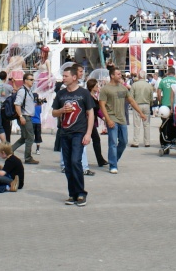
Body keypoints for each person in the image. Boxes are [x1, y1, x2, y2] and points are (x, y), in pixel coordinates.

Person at [52, 64, 95, 206]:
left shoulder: (84, 93)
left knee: (76, 161)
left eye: (66, 76)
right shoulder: (61, 94)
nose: (63, 78)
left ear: (74, 77)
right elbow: (54, 112)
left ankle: (81, 193)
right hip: (64, 132)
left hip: (79, 132)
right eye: (63, 76)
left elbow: (90, 113)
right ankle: (72, 194)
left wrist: (88, 133)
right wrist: (62, 111)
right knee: (68, 165)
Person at [99, 66, 147, 173]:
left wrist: (140, 113)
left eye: (120, 74)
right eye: (118, 74)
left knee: (124, 141)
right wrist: (108, 120)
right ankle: (113, 165)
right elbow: (102, 105)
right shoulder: (105, 89)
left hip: (122, 119)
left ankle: (114, 159)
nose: (120, 75)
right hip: (111, 118)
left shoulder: (123, 88)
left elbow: (131, 101)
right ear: (112, 76)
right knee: (112, 142)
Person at [11, 73, 39, 164]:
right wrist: (21, 116)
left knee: (24, 137)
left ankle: (10, 150)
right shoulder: (22, 91)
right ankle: (28, 158)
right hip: (25, 117)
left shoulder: (29, 91)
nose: (32, 81)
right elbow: (17, 104)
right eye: (31, 79)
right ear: (25, 80)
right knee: (30, 137)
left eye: (33, 79)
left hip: (27, 116)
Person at [130, 71, 154, 148]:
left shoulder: (134, 85)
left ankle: (136, 142)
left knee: (137, 125)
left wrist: (132, 105)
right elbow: (151, 97)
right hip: (146, 105)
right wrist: (150, 104)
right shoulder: (149, 85)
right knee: (146, 124)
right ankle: (147, 142)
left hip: (137, 105)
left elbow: (131, 97)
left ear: (139, 76)